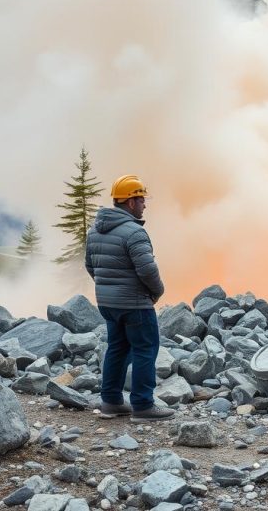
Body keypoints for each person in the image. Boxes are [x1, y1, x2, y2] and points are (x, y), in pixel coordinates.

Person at [85, 175, 174, 422]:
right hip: (135, 304)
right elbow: (147, 270)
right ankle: (143, 406)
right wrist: (157, 292)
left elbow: (90, 266)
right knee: (146, 349)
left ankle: (111, 402)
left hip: (108, 304)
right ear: (131, 202)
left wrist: (108, 289)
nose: (145, 203)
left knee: (117, 348)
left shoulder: (94, 230)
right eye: (142, 198)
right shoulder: (134, 232)